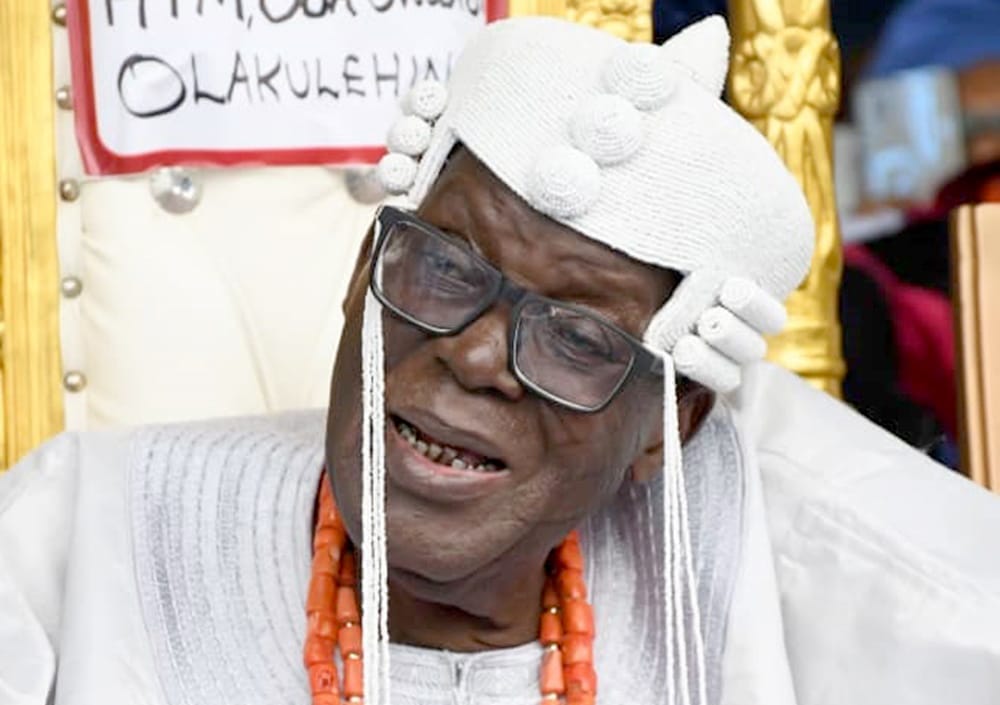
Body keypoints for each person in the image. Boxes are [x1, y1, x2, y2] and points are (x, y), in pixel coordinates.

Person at [2, 15, 1000, 705]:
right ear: (361, 273)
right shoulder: (77, 528)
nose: (478, 355)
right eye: (442, 269)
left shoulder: (810, 553)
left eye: (577, 336)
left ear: (671, 428)